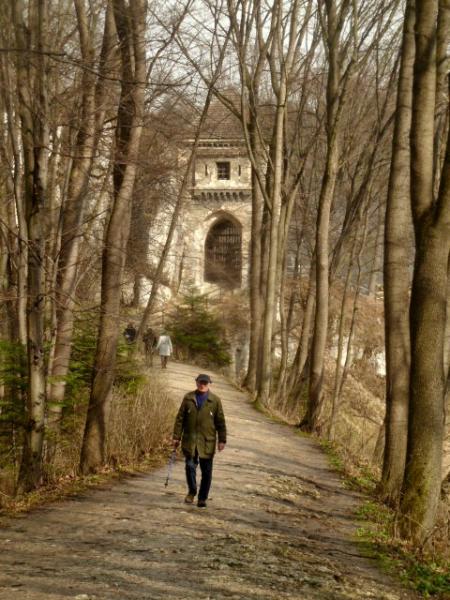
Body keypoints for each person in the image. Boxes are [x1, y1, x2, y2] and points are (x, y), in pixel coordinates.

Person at [172, 373, 227, 508]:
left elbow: (220, 422)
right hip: (190, 440)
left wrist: (222, 440)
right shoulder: (188, 398)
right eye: (200, 382)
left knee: (206, 472)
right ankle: (192, 492)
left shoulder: (215, 401)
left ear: (209, 384)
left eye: (205, 383)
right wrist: (176, 436)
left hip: (207, 442)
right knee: (190, 467)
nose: (202, 385)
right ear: (196, 382)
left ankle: (202, 498)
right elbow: (180, 419)